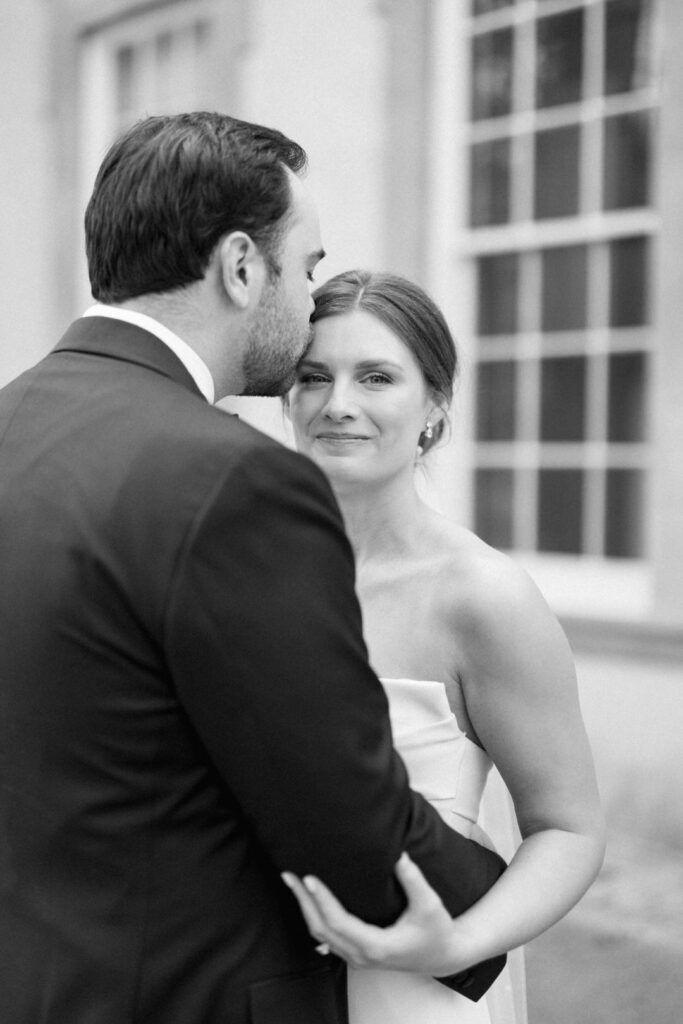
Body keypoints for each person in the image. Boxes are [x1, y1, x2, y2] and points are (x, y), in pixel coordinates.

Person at [0, 114, 509, 1024]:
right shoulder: (231, 479)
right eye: (306, 266)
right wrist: (493, 918)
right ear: (241, 266)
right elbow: (335, 807)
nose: (311, 298)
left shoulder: (13, 425)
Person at [283, 269, 606, 1024]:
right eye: (313, 377)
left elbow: (568, 829)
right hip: (251, 969)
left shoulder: (481, 596)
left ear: (433, 405)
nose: (339, 405)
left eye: (376, 377)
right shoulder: (240, 572)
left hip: (409, 986)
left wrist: (457, 944)